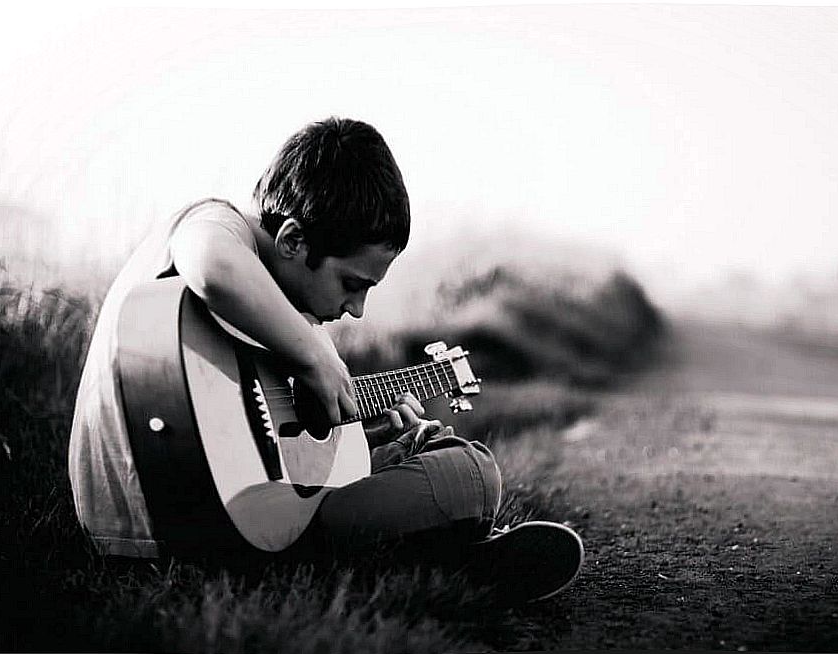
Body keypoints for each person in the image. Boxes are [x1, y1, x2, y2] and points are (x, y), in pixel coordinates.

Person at [68, 116, 582, 605]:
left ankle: (425, 556)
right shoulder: (214, 224)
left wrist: (357, 437)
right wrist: (316, 358)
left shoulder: (266, 316)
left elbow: (257, 442)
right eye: (352, 284)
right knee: (472, 472)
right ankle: (434, 555)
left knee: (407, 452)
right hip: (175, 523)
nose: (355, 310)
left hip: (191, 521)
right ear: (293, 239)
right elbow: (214, 267)